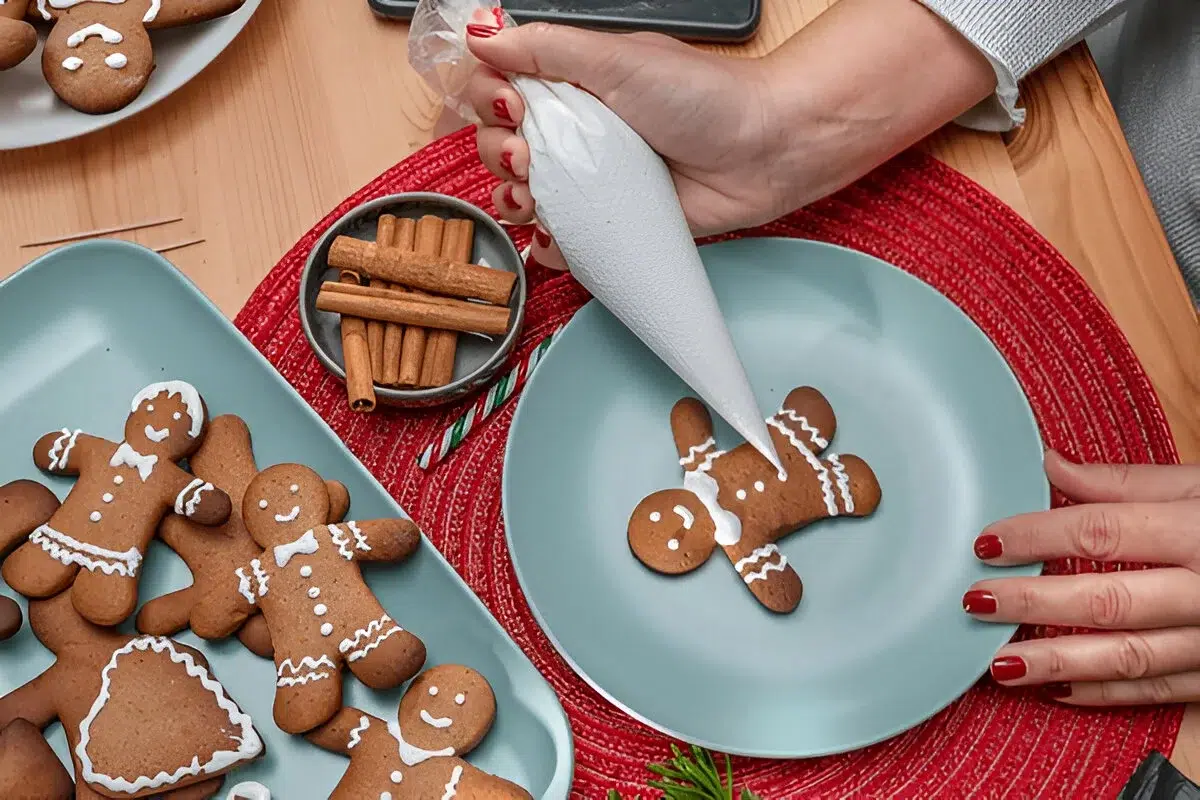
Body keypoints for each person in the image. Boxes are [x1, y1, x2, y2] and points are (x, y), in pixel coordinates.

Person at [461, 0, 1200, 706]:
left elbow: (759, 559)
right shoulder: (713, 497)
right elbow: (741, 522)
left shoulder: (720, 506)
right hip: (1093, 126)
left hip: (1158, 346)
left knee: (817, 463)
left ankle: (835, 482)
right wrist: (777, 125)